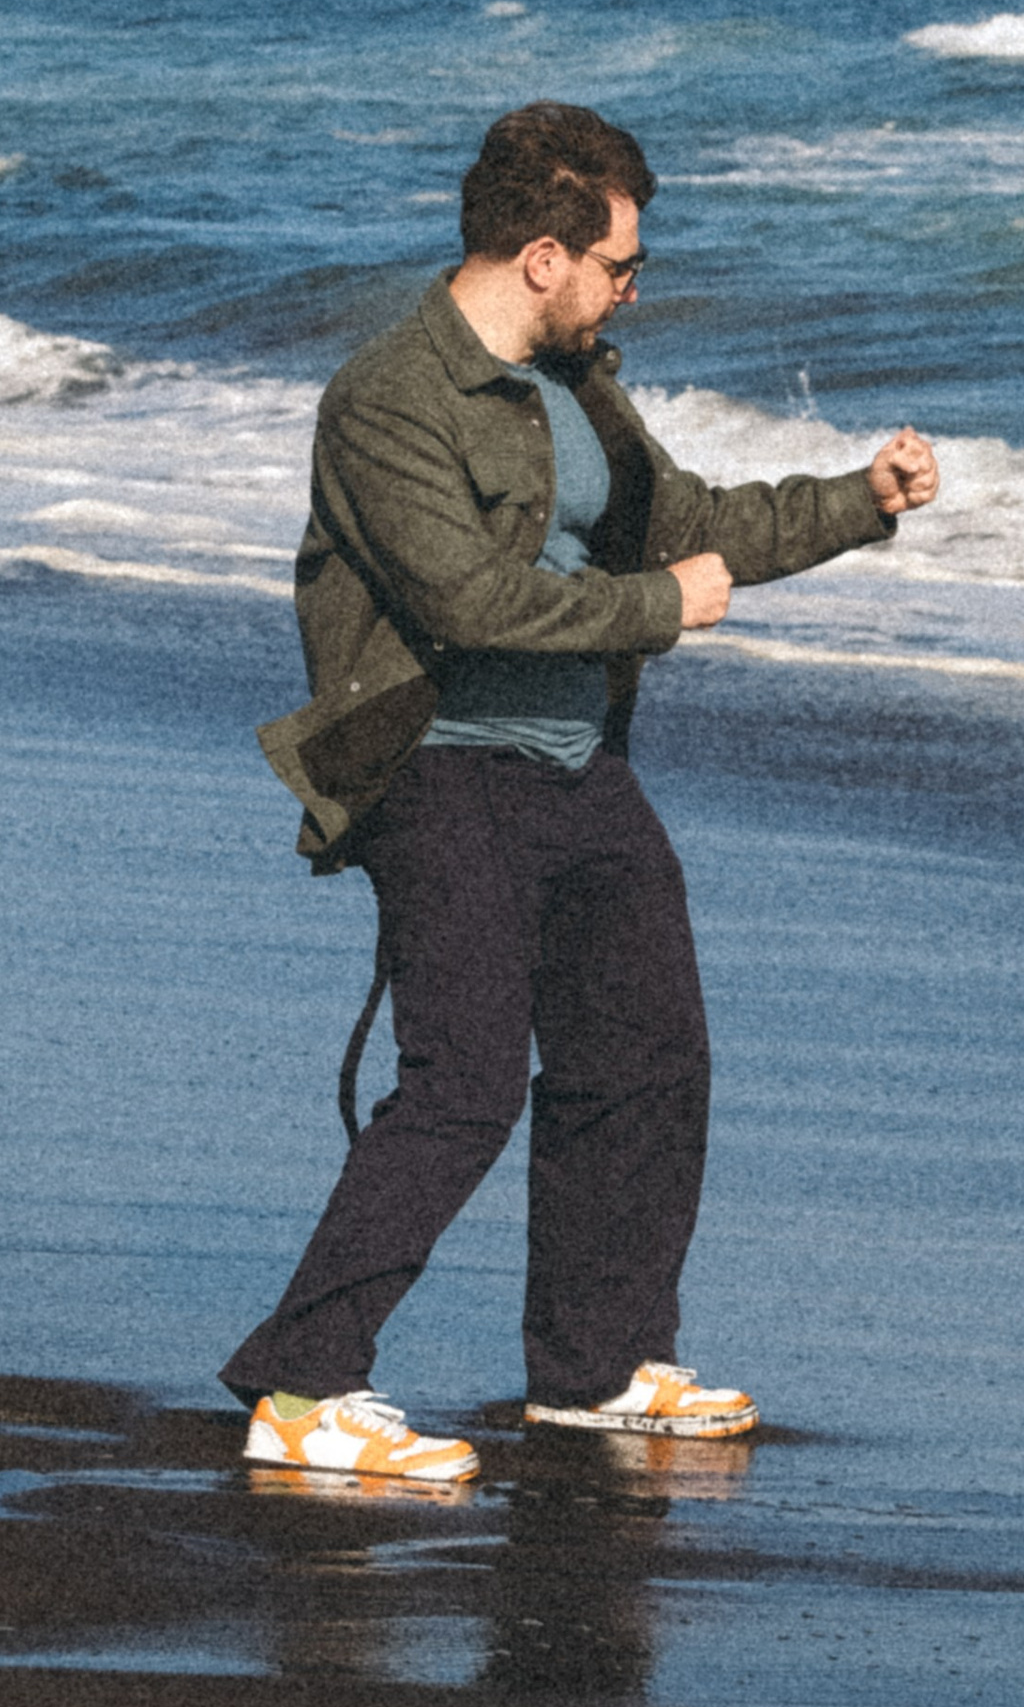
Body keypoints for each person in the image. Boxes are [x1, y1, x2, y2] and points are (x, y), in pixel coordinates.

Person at [222, 99, 939, 1484]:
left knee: (646, 1063)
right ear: (543, 254)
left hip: (578, 770)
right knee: (465, 1082)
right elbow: (469, 599)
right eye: (622, 263)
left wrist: (863, 499)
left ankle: (597, 1370)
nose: (631, 287)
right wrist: (659, 608)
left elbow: (700, 527)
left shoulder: (584, 391)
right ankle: (304, 1388)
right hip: (437, 770)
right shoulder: (390, 397)